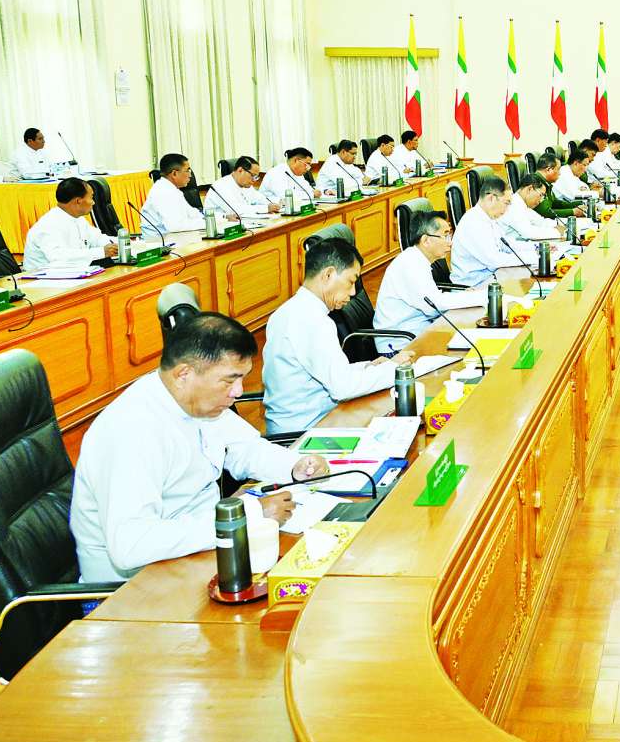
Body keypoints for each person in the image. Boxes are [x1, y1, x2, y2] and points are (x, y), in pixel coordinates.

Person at [70, 312, 331, 582]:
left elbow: (246, 449)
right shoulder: (131, 430)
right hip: (132, 588)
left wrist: (295, 466)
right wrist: (247, 516)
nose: (238, 391)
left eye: (242, 379)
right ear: (184, 374)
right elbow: (132, 546)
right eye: (229, 380)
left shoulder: (197, 403)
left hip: (194, 555)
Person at [262, 237, 418, 436]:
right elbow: (342, 388)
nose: (353, 292)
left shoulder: (291, 310)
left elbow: (325, 371)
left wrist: (368, 367)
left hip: (313, 418)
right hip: (305, 432)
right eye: (351, 281)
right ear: (328, 275)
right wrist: (396, 371)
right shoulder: (311, 320)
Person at [373, 210, 487, 354]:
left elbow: (433, 299)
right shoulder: (410, 264)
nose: (450, 242)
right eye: (445, 236)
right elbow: (434, 305)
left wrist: (464, 296)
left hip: (420, 330)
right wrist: (478, 297)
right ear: (426, 240)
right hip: (399, 346)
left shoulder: (417, 259)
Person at [451, 175, 534, 285]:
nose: (507, 209)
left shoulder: (489, 218)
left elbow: (506, 245)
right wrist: (532, 258)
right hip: (473, 285)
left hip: (491, 277)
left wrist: (536, 249)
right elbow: (495, 260)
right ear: (491, 198)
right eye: (506, 203)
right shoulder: (474, 222)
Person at [21, 178, 118, 272]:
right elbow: (59, 257)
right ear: (78, 201)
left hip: (71, 273)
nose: (93, 202)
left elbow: (97, 239)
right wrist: (101, 252)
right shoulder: (48, 225)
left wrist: (121, 243)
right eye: (91, 197)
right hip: (44, 278)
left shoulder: (78, 218)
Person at [140, 153, 205, 233]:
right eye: (187, 171)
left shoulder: (172, 189)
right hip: (159, 239)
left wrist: (212, 220)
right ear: (174, 174)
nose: (190, 175)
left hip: (174, 236)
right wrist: (207, 224)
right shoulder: (163, 192)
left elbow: (193, 213)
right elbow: (175, 227)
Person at [207, 157, 281, 219]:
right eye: (252, 175)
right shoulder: (221, 186)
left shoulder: (246, 185)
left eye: (256, 177)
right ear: (240, 170)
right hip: (220, 224)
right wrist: (266, 208)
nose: (254, 180)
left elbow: (260, 198)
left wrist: (274, 204)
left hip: (243, 221)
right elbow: (237, 210)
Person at [501, 173, 562, 242]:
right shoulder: (513, 205)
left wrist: (558, 224)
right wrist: (558, 232)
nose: (541, 201)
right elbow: (529, 232)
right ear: (530, 189)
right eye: (541, 195)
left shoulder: (522, 205)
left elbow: (540, 221)